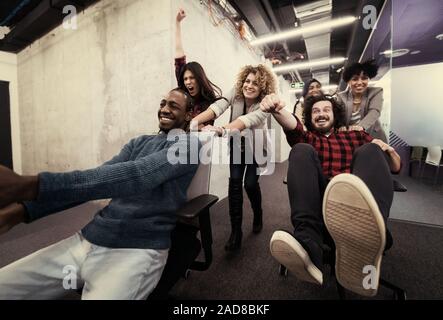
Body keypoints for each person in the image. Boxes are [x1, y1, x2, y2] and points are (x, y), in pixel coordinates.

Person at [0, 88, 201, 300]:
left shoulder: (189, 145)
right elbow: (98, 181)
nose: (165, 109)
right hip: (87, 240)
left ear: (188, 115)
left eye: (173, 105)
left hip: (135, 251)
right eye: (163, 103)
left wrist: (30, 186)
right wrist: (22, 212)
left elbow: (138, 175)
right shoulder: (139, 142)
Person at [260, 93, 401, 296]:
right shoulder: (308, 139)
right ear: (310, 118)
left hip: (355, 207)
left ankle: (370, 233)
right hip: (321, 207)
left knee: (370, 150)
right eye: (316, 111)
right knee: (300, 150)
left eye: (326, 110)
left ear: (335, 115)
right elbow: (293, 126)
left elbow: (395, 167)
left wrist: (388, 150)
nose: (321, 114)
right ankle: (309, 246)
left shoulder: (356, 136)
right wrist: (277, 110)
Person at [192, 64, 277, 251]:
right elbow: (217, 107)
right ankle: (235, 232)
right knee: (235, 184)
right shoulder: (236, 92)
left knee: (251, 184)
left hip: (255, 148)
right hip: (238, 147)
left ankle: (258, 213)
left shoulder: (264, 105)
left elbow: (245, 121)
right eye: (247, 81)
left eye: (255, 83)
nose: (249, 85)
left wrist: (221, 129)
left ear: (262, 87)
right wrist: (194, 121)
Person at [174, 8, 222, 124]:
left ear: (199, 79)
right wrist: (177, 23)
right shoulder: (183, 93)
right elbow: (179, 54)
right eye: (185, 79)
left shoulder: (209, 101)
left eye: (191, 78)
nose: (187, 82)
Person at [337, 60, 387, 142]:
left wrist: (361, 127)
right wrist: (340, 126)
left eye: (364, 78)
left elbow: (375, 111)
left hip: (374, 137)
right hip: (351, 139)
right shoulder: (341, 96)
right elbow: (338, 116)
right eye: (355, 79)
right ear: (348, 81)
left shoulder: (376, 92)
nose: (360, 82)